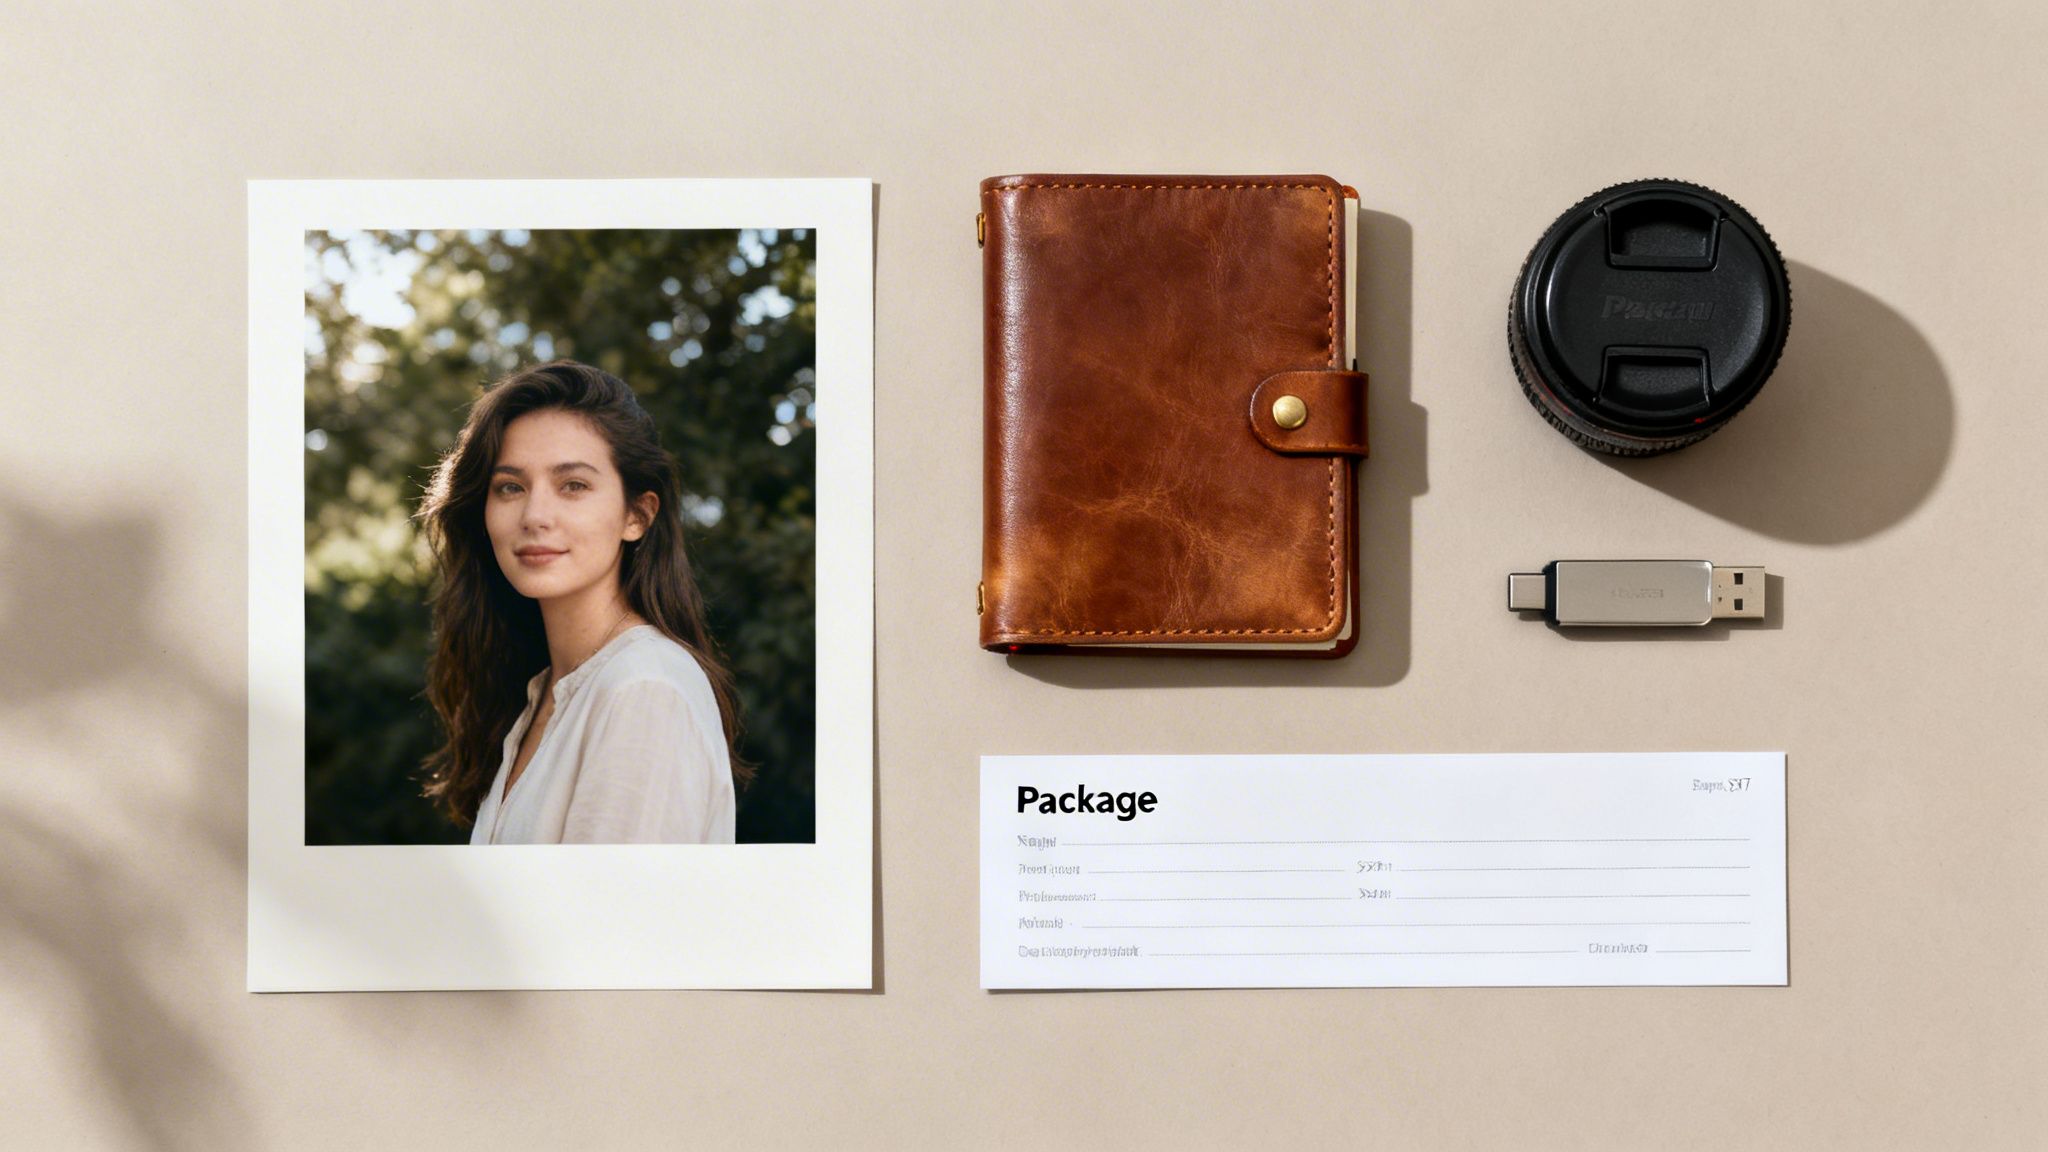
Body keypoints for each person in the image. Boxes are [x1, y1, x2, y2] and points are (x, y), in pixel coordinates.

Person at [418, 360, 745, 843]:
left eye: (573, 485)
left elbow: (608, 916)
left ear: (636, 515)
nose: (535, 515)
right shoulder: (542, 694)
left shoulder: (643, 690)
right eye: (511, 487)